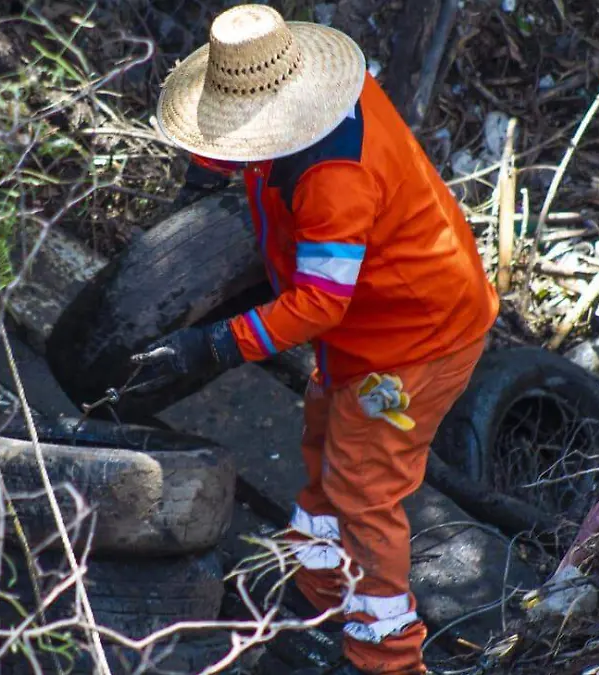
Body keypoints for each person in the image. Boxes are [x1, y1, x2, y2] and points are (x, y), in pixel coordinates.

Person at [127, 5, 500, 674]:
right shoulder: (314, 94)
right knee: (325, 436)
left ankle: (384, 654)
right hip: (367, 330)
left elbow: (321, 301)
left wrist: (214, 344)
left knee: (365, 489)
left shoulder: (334, 180)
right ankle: (317, 589)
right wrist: (210, 171)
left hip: (414, 342)